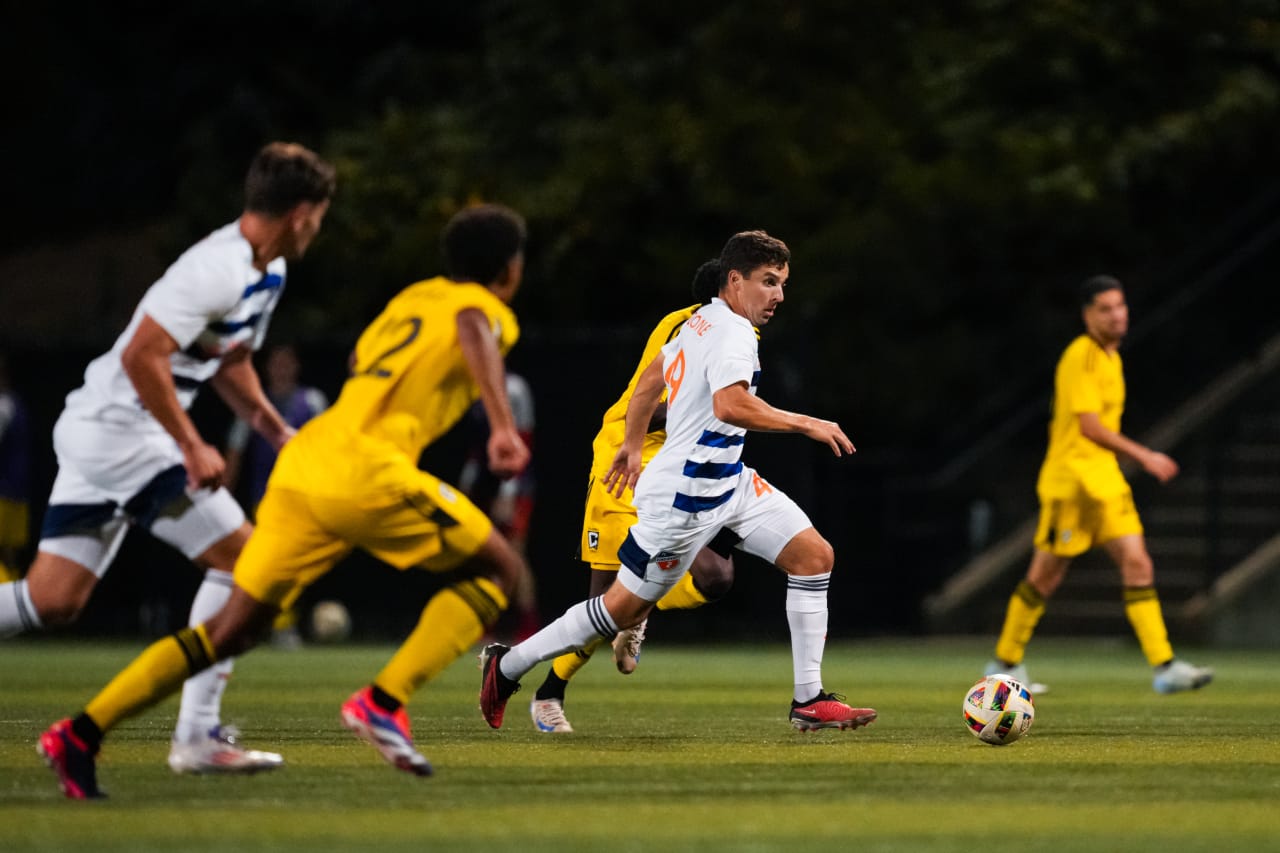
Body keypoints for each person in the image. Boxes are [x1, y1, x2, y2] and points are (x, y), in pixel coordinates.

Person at [39, 203, 534, 799]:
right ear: (509, 269)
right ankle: (383, 703)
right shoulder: (488, 310)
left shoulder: (413, 299)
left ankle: (80, 733)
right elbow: (473, 327)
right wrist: (501, 426)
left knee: (228, 632)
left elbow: (360, 360)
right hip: (368, 470)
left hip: (304, 466)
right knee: (500, 569)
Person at [2, 141, 335, 778]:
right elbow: (141, 356)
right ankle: (198, 737)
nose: (319, 227)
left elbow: (228, 358)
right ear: (301, 213)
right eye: (319, 214)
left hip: (102, 428)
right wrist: (190, 443)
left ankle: (198, 736)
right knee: (250, 563)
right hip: (124, 433)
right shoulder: (216, 268)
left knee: (52, 600)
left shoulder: (266, 271)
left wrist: (274, 430)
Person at [481, 230, 877, 734]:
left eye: (783, 283)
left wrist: (630, 442)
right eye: (769, 282)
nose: (779, 295)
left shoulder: (703, 319)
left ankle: (809, 699)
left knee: (814, 556)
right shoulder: (731, 332)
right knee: (618, 608)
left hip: (727, 482)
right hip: (683, 499)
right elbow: (730, 405)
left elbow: (650, 380)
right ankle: (508, 666)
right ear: (735, 280)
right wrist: (807, 423)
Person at [527, 259, 737, 735]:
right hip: (630, 452)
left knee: (716, 576)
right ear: (729, 288)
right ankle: (547, 694)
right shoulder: (690, 325)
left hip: (680, 462)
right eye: (763, 282)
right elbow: (655, 404)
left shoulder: (743, 336)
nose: (774, 296)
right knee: (600, 600)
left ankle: (637, 611)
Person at [985, 275, 1213, 694]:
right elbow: (1089, 427)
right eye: (1105, 308)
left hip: (1104, 481)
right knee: (1045, 577)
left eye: (1120, 306)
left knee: (1138, 562)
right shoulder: (1082, 356)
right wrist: (1145, 455)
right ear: (1087, 314)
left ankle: (1164, 666)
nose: (1116, 314)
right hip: (1071, 482)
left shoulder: (1111, 358)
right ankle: (1003, 664)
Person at [224, 342, 329, 647]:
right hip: (266, 496)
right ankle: (262, 625)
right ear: (267, 368)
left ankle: (283, 625)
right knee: (261, 564)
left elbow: (324, 445)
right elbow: (236, 450)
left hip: (304, 494)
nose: (281, 368)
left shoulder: (311, 401)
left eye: (287, 362)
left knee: (295, 563)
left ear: (295, 366)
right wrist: (225, 493)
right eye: (276, 362)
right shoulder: (252, 403)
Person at [458, 371, 540, 643]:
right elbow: (474, 446)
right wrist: (467, 483)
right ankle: (487, 624)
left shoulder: (514, 388)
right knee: (486, 556)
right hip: (485, 482)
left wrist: (509, 492)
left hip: (515, 483)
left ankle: (528, 626)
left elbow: (522, 441)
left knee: (514, 554)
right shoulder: (472, 387)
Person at [0, 353, 33, 583]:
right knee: (10, 556)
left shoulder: (5, 406)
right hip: (17, 492)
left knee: (7, 555)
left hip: (4, 494)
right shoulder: (15, 404)